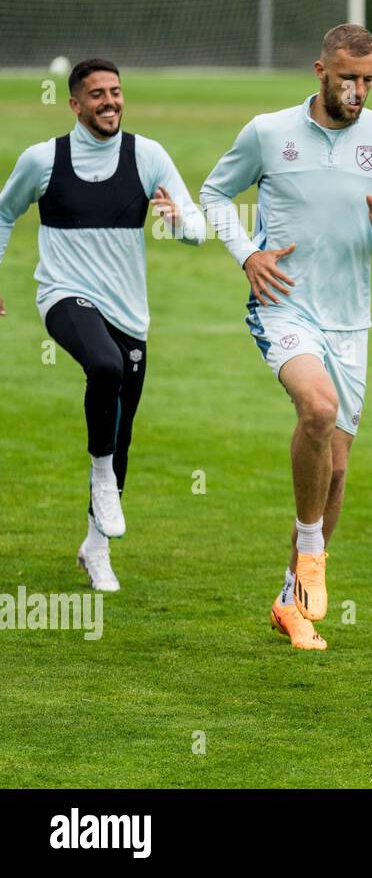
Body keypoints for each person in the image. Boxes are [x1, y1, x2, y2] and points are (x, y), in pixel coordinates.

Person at [201, 24, 372, 652]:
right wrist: (248, 254)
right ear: (318, 71)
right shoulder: (269, 133)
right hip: (285, 306)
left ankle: (289, 600)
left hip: (352, 318)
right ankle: (312, 551)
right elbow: (216, 193)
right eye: (348, 78)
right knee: (317, 409)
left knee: (339, 471)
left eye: (369, 79)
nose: (359, 91)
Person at [0, 57, 205, 591]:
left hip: (129, 312)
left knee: (122, 432)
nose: (110, 102)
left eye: (116, 92)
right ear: (75, 104)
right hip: (64, 296)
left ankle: (96, 548)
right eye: (97, 94)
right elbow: (3, 213)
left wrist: (180, 223)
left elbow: (199, 229)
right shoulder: (43, 160)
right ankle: (100, 477)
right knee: (103, 362)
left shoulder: (148, 155)